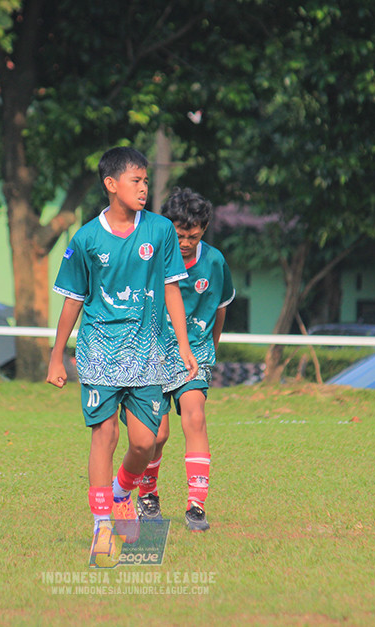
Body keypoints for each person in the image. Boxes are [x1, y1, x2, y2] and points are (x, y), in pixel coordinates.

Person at [46, 146, 198, 549]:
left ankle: (120, 492)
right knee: (105, 436)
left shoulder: (161, 230)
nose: (144, 188)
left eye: (146, 180)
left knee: (146, 442)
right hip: (99, 349)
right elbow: (73, 299)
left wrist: (183, 346)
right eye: (136, 180)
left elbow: (171, 289)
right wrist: (56, 354)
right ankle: (102, 524)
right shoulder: (87, 238)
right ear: (111, 185)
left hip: (149, 351)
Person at [137, 188, 234, 532]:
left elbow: (220, 309)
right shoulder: (150, 258)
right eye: (180, 235)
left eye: (193, 235)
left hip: (194, 352)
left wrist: (210, 349)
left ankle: (196, 505)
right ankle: (148, 496)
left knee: (195, 416)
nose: (186, 242)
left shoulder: (214, 262)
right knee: (156, 435)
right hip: (152, 351)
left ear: (203, 230)